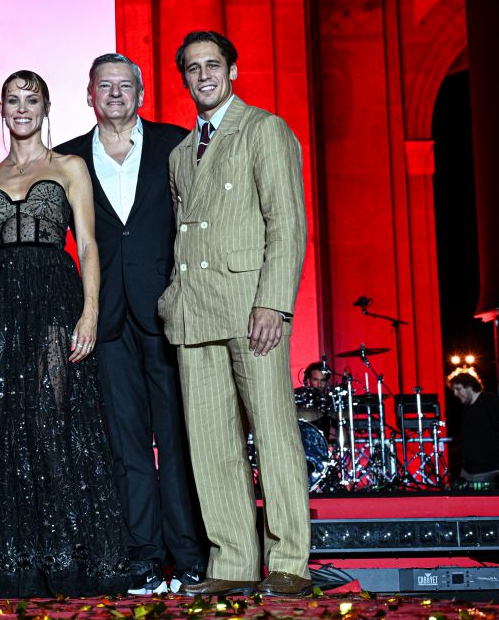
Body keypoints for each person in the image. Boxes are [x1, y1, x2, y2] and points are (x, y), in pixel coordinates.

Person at [0, 70, 130, 597]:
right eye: (13, 100)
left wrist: (91, 313)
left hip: (55, 297)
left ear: (46, 108)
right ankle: (14, 558)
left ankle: (66, 554)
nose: (21, 108)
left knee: (52, 420)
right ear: (3, 110)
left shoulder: (69, 166)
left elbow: (90, 245)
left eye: (31, 100)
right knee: (1, 425)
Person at [158, 30, 310, 598]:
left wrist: (274, 301)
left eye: (212, 65)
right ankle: (234, 562)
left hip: (252, 308)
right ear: (184, 78)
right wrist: (173, 299)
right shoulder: (179, 154)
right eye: (193, 68)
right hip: (196, 310)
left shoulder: (264, 129)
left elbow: (287, 222)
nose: (204, 76)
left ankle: (289, 560)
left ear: (233, 70)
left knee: (273, 434)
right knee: (211, 445)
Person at [56, 53, 205, 593]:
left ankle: (188, 556)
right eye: (105, 85)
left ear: (141, 94)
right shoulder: (68, 157)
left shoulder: (175, 144)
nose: (115, 93)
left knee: (178, 440)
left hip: (168, 312)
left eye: (125, 85)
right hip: (105, 318)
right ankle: (143, 556)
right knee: (127, 446)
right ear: (89, 95)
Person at [448, 369, 499, 485]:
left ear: (469, 387)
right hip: (468, 471)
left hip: (490, 469)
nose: (455, 394)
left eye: (458, 389)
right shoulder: (466, 409)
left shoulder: (491, 400)